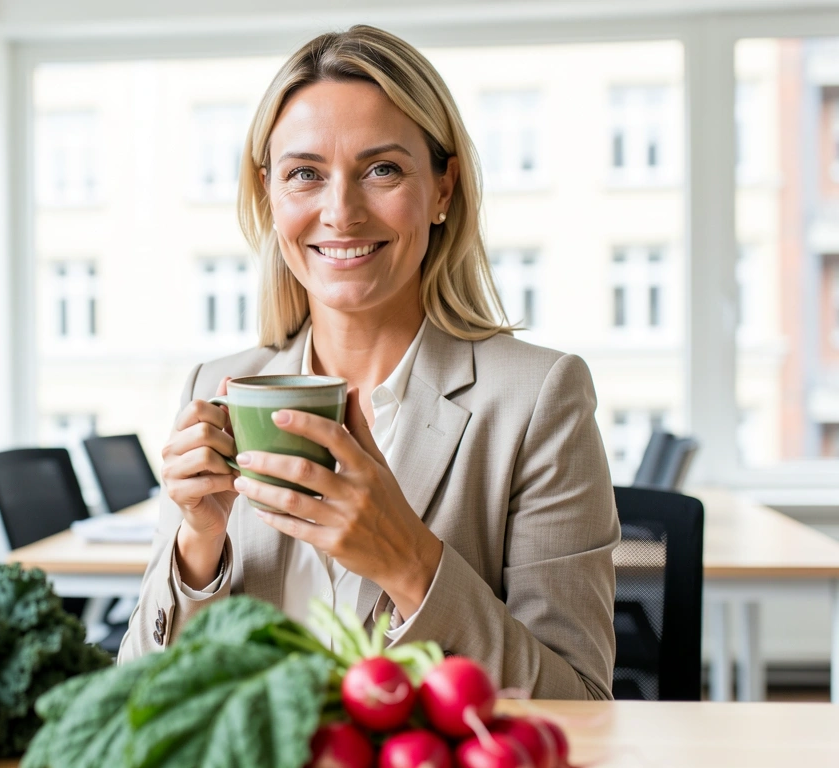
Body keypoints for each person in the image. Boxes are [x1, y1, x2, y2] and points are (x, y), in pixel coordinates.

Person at [119, 25, 620, 700]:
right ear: (269, 194)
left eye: (381, 169)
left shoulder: (538, 399)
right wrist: (198, 547)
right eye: (305, 174)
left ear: (444, 188)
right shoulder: (217, 388)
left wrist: (410, 564)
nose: (341, 212)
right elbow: (139, 698)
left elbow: (579, 703)